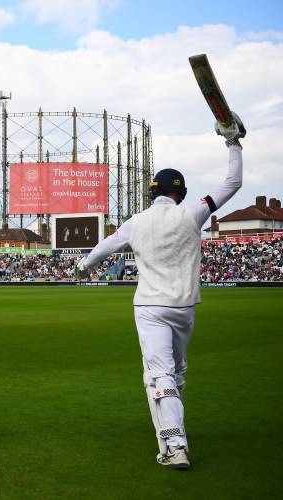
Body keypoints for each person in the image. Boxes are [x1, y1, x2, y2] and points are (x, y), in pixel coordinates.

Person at [76, 112, 245, 469]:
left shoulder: (137, 222)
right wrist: (232, 143)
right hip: (184, 306)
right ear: (180, 192)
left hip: (150, 307)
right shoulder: (193, 213)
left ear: (152, 192)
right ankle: (174, 427)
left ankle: (174, 445)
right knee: (177, 373)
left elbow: (105, 247)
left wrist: (83, 266)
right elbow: (232, 183)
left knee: (160, 374)